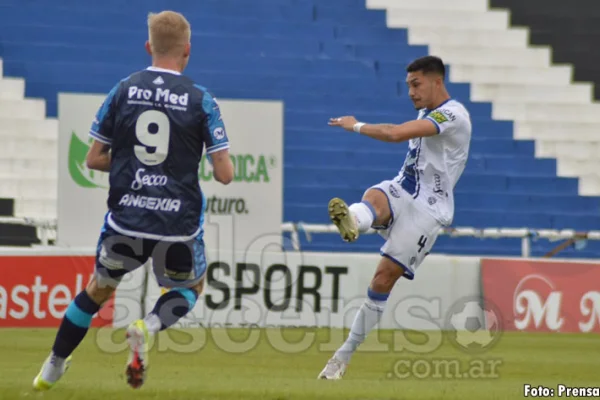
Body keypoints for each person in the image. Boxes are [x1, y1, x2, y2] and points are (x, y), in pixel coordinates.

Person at [33, 10, 234, 391]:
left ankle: (54, 363)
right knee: (189, 289)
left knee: (97, 290)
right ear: (188, 50)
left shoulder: (124, 89)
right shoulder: (201, 99)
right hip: (177, 227)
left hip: (126, 220)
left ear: (148, 47)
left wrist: (131, 164)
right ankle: (148, 326)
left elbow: (93, 158)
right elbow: (225, 174)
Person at [317, 55, 472, 379]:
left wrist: (356, 125)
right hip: (404, 188)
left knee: (382, 279)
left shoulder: (453, 115)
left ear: (436, 81)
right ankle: (355, 221)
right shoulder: (426, 111)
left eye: (416, 85)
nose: (412, 92)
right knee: (375, 196)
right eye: (408, 86)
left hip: (429, 210)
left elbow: (395, 134)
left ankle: (342, 357)